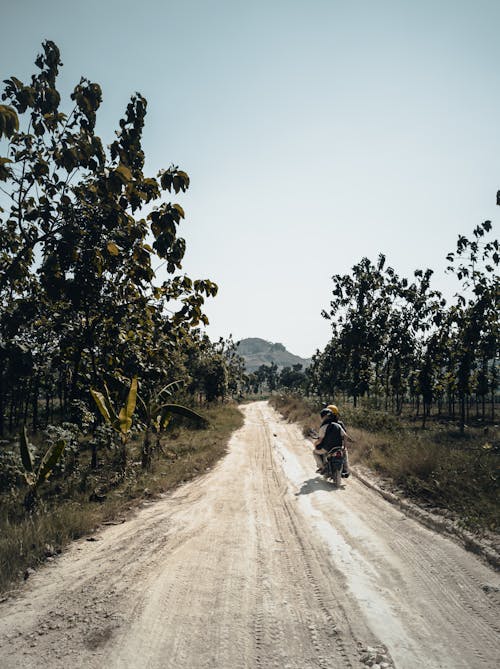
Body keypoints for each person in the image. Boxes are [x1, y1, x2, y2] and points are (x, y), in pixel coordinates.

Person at [313, 408, 347, 474]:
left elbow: (320, 440)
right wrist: (344, 447)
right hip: (338, 447)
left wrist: (315, 444)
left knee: (315, 452)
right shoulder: (338, 425)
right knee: (344, 455)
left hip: (327, 449)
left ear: (323, 417)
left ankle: (322, 467)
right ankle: (345, 469)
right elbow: (345, 436)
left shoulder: (323, 427)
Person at [326, 403, 351, 477]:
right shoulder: (340, 423)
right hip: (339, 445)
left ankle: (324, 468)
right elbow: (345, 434)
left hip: (328, 446)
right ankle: (345, 470)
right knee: (345, 455)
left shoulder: (326, 424)